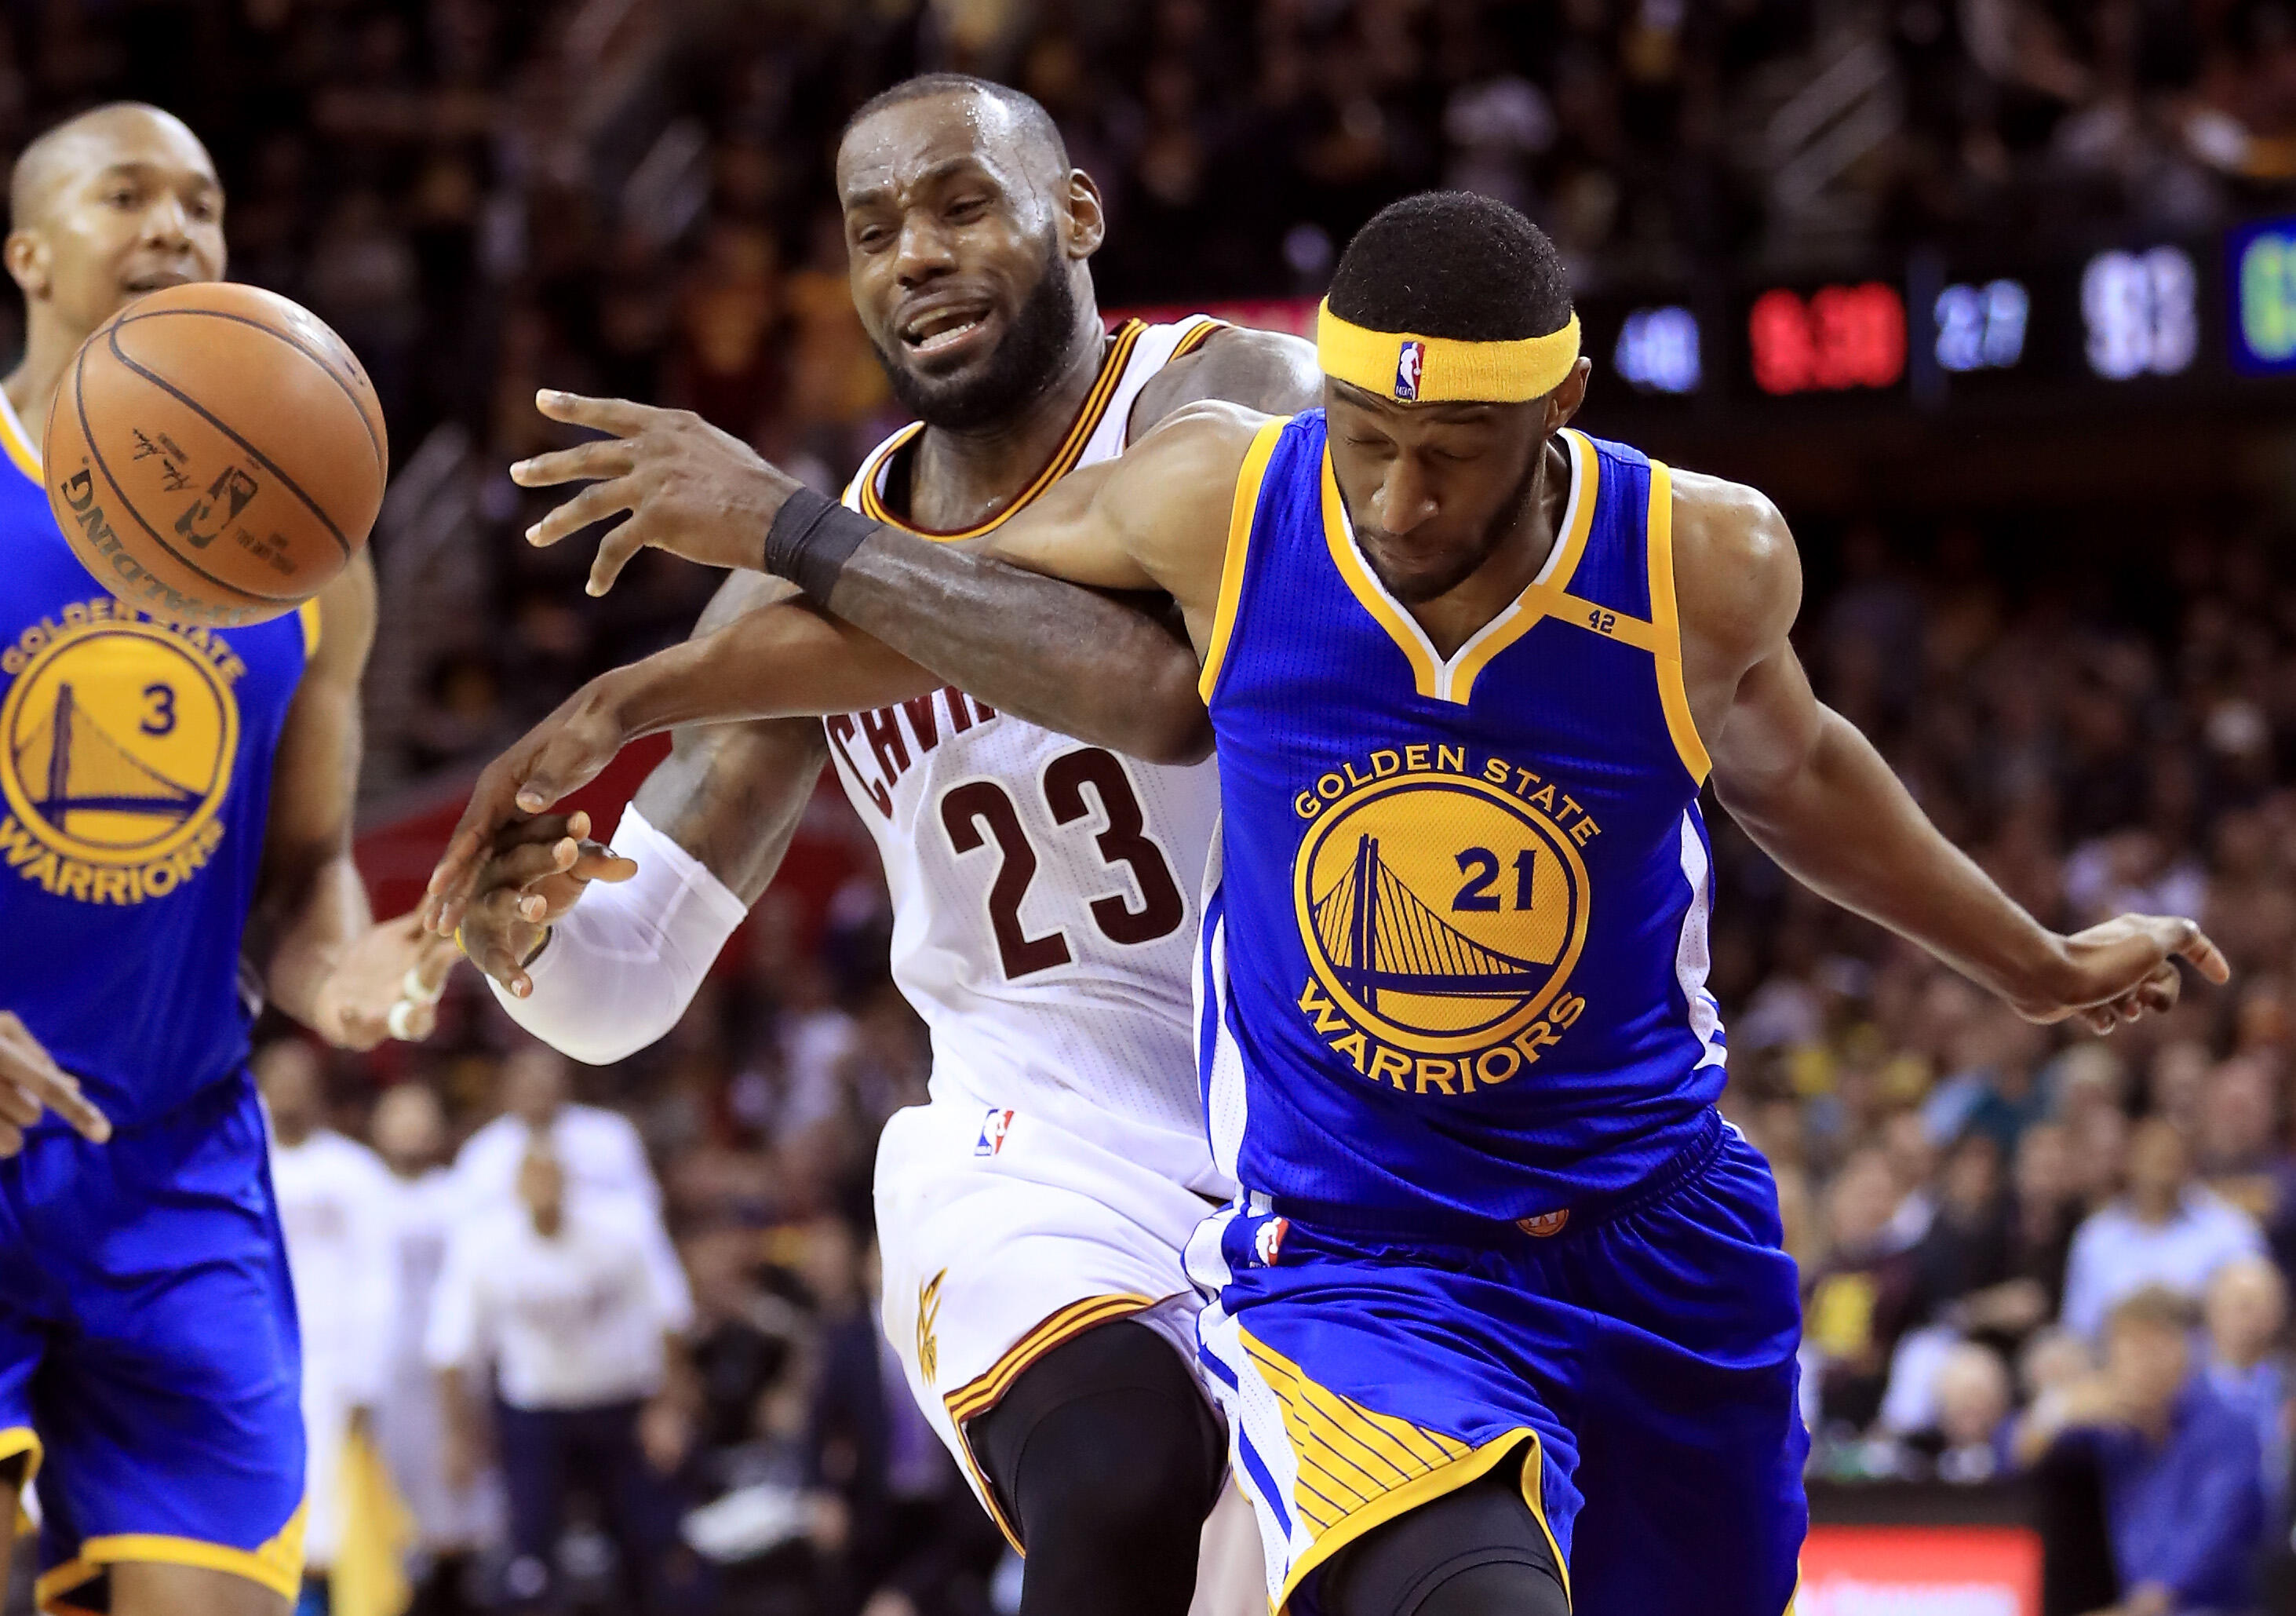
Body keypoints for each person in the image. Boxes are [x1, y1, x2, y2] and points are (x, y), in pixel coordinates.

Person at [443, 189, 2225, 1616]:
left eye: (1453, 447)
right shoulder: (1232, 500)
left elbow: (1803, 774)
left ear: (1563, 410)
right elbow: (917, 600)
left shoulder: (1703, 554)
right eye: (1367, 433)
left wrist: (2035, 961)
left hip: (1663, 1245)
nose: (1399, 489)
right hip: (1365, 1265)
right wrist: (634, 696)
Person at [429, 74, 1314, 1616]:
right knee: (1117, 1483)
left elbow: (1158, 693)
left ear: (1077, 211)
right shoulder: (808, 566)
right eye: (871, 228)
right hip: (1028, 1155)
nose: (912, 254)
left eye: (960, 203)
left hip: (1315, 1143)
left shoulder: (1228, 393)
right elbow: (622, 988)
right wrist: (528, 937)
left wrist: (789, 535)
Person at [0, 104, 454, 1616]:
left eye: (201, 199)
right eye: (123, 194)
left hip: (175, 1155)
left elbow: (308, 867)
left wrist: (353, 970)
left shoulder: (309, 540)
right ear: (28, 251)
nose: (175, 226)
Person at [425, 1141, 701, 1614]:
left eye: (553, 1177)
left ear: (571, 1181)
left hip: (620, 1403)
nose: (544, 1190)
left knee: (651, 1544)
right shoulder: (484, 1243)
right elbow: (451, 1347)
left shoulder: (623, 1225)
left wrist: (669, 1407)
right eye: (533, 1179)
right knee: (529, 1558)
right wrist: (458, 1435)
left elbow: (669, 1314)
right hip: (535, 1412)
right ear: (515, 1188)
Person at [2017, 1286, 2266, 1616]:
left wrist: (2140, 1607)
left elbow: (2207, 1540)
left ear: (2186, 1350)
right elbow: (2018, 1458)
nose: (2139, 1363)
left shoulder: (2228, 1430)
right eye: (2127, 1348)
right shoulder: (2112, 1430)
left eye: (2152, 1346)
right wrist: (2061, 1409)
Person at [257, 1040, 400, 1610]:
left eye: (299, 1078)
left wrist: (368, 1377)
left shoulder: (355, 1171)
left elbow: (379, 1279)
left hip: (332, 1367)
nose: (289, 1090)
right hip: (252, 1361)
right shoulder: (234, 1162)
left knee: (327, 1522)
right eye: (277, 1077)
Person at [370, 1082, 502, 1616]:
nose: (411, 1130)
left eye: (422, 1117)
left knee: (461, 1512)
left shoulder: (462, 1195)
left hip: (452, 1372)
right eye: (399, 1116)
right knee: (390, 1518)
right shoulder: (361, 1190)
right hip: (381, 1375)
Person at [2061, 1116, 2265, 1341]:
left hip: (2204, 1364)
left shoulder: (2229, 1228)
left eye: (2169, 1157)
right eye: (2150, 1156)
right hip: (2117, 1364)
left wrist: (2193, 1306)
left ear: (2188, 1163)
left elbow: (2257, 1306)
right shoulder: (2096, 1237)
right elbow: (2079, 1329)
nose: (2159, 1167)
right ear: (2128, 1163)